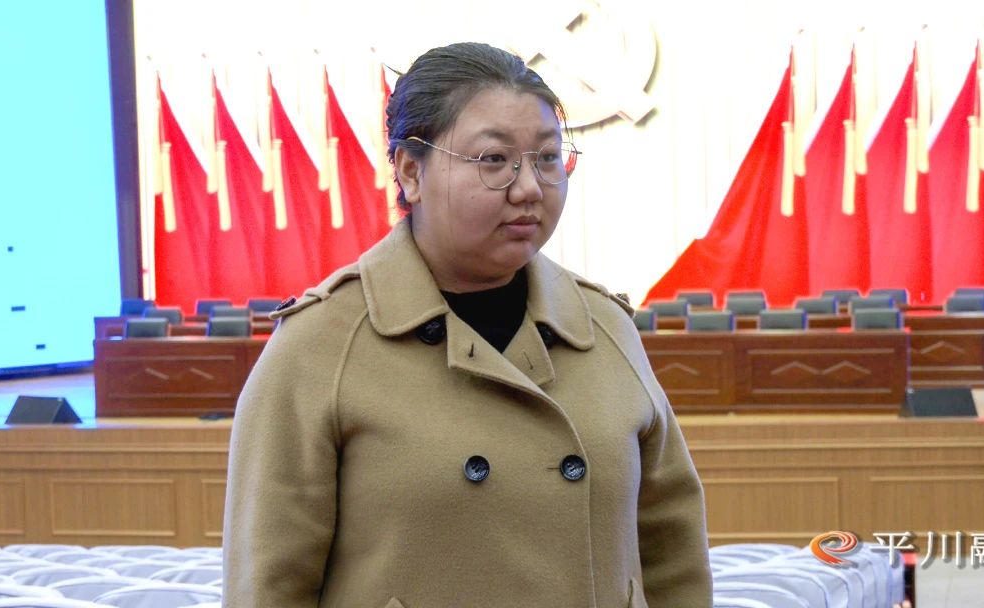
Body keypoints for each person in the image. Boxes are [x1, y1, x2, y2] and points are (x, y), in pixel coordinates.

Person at [223, 42, 713, 608]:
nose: (529, 187)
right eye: (493, 160)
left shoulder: (603, 327)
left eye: (547, 158)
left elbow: (672, 548)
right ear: (411, 172)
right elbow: (268, 586)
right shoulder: (320, 345)